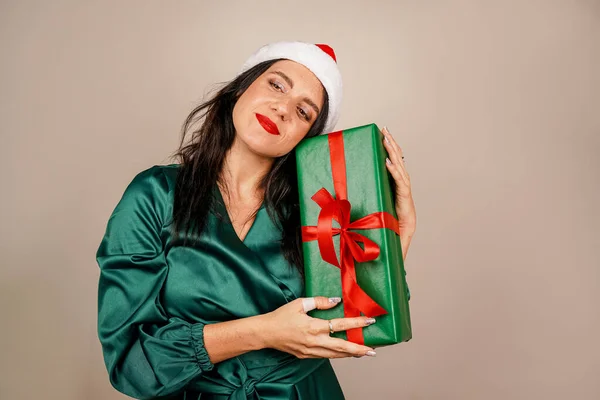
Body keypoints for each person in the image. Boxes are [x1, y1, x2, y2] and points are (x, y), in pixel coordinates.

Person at [96, 41, 417, 400]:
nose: (282, 109)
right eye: (276, 85)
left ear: (306, 138)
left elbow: (360, 324)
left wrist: (397, 238)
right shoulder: (154, 195)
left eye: (303, 112)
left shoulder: (320, 215)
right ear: (240, 88)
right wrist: (264, 332)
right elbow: (131, 365)